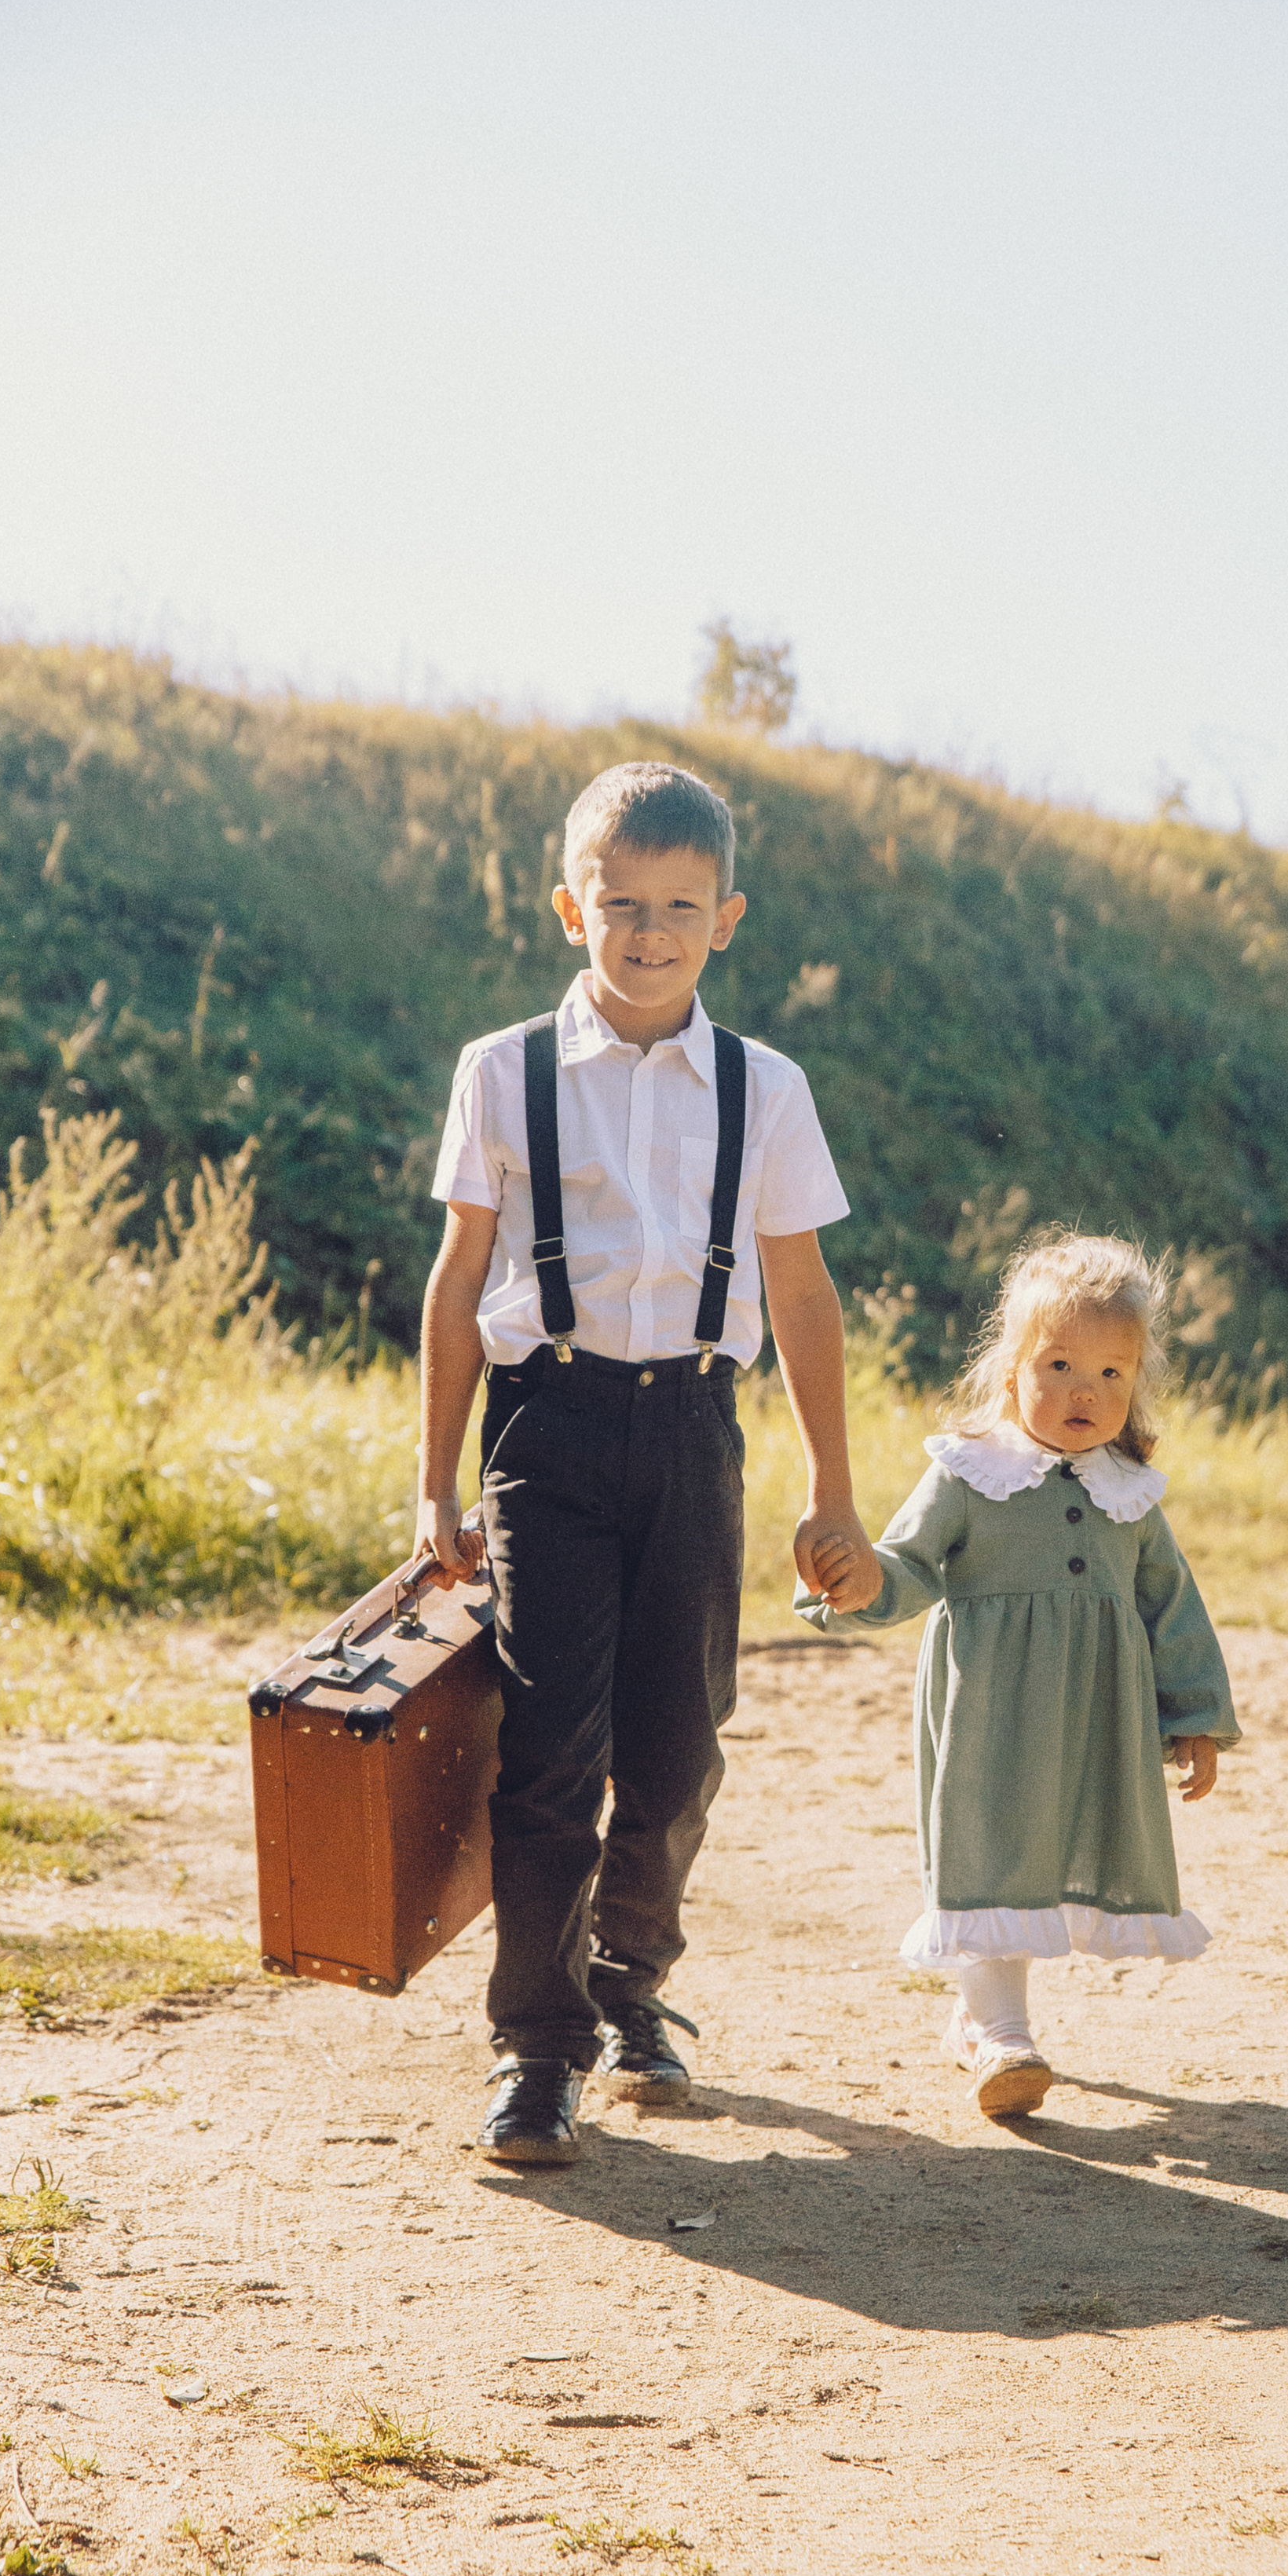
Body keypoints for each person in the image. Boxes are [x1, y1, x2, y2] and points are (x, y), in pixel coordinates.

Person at [415, 760, 880, 2164]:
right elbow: (459, 1280)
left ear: (726, 919)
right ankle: (536, 2047)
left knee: (676, 1755)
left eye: (681, 906)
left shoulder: (765, 1088)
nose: (650, 932)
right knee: (550, 1751)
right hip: (543, 1432)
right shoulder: (502, 1073)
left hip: (691, 1431)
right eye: (622, 904)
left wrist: (832, 1487)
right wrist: (431, 1484)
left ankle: (632, 1990)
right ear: (573, 908)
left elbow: (801, 1292)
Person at [798, 1228, 1236, 2118]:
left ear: (1138, 1383)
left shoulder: (1128, 1493)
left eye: (1111, 1373)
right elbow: (908, 1568)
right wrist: (861, 1583)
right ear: (1010, 1372)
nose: (1085, 1391)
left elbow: (1171, 1608)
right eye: (1060, 1365)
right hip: (990, 1714)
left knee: (1049, 1853)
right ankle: (1003, 2034)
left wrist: (1195, 1716)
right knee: (990, 1853)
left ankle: (974, 2020)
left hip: (1093, 1721)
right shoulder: (969, 1474)